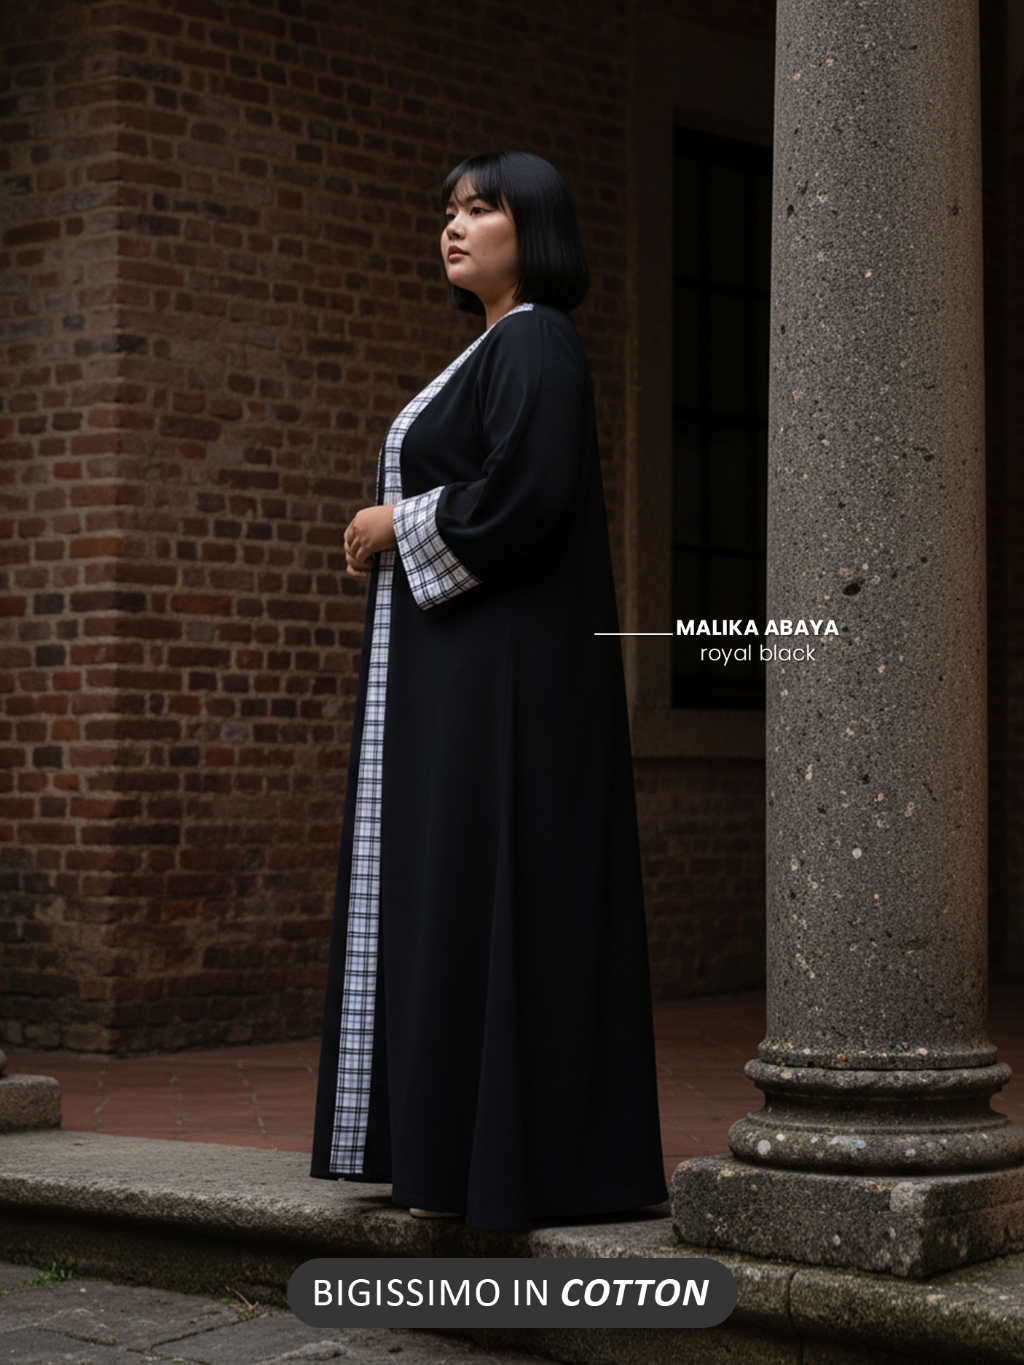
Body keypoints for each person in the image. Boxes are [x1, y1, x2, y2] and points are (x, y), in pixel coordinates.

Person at [310, 151, 667, 1230]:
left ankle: (514, 1161)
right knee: (457, 891)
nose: (454, 225)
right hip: (465, 673)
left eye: (482, 207)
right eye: (448, 211)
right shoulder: (493, 346)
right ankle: (454, 1148)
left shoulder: (537, 339)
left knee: (496, 884)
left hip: (506, 687)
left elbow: (529, 490)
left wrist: (397, 521)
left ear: (535, 226)